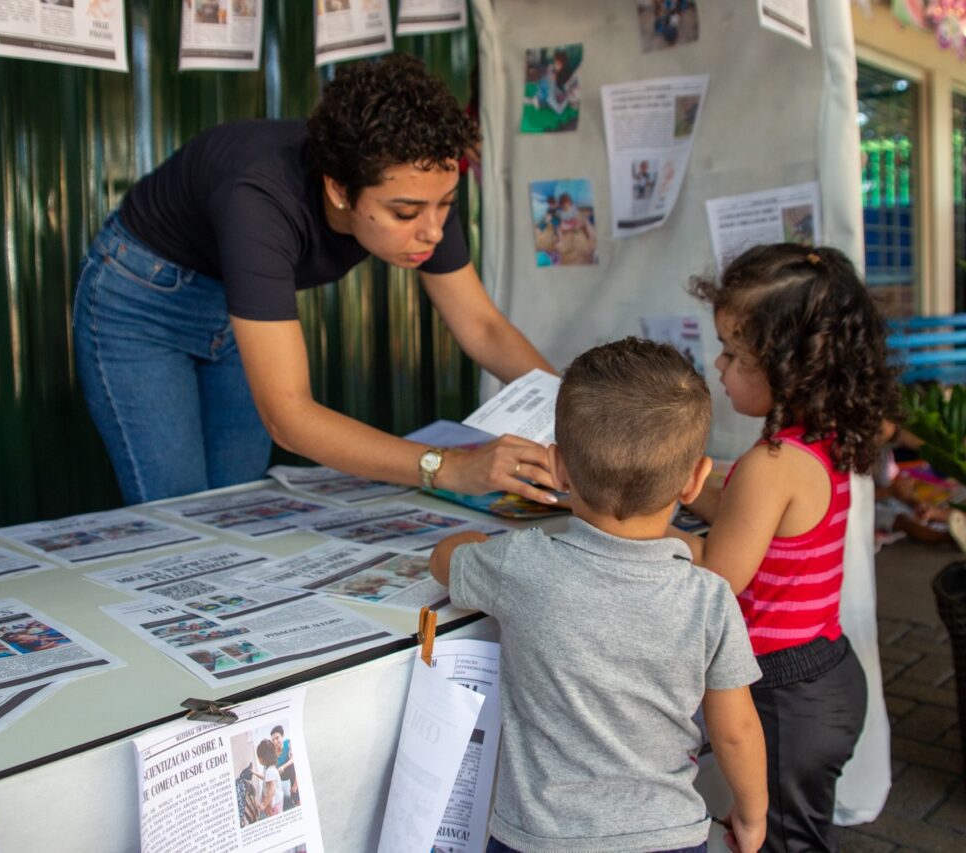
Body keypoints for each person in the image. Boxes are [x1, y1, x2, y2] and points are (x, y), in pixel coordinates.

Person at [73, 54, 558, 506]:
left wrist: (584, 416)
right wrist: (449, 468)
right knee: (181, 506)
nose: (432, 229)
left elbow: (482, 327)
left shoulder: (419, 181)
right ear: (339, 189)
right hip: (143, 298)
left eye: (446, 204)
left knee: (234, 503)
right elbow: (289, 417)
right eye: (405, 212)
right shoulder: (259, 199)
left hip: (236, 302)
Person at [429, 338, 767, 853]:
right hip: (668, 837)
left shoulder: (521, 565)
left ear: (558, 467)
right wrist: (752, 814)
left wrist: (473, 544)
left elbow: (443, 561)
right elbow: (737, 731)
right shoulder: (709, 598)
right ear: (696, 481)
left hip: (538, 839)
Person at [676, 243, 902, 852]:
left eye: (734, 353)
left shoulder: (770, 464)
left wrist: (629, 527)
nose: (718, 366)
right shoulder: (823, 438)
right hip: (824, 672)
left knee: (777, 843)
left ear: (787, 364)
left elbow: (721, 570)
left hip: (783, 696)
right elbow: (752, 522)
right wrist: (680, 489)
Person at [270, 725, 298, 807]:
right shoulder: (272, 752)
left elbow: (294, 758)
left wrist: (283, 766)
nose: (275, 741)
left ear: (282, 736)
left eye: (277, 738)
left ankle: (294, 791)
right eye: (273, 740)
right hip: (280, 774)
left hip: (288, 769)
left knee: (294, 766)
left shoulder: (288, 743)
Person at [254, 738, 282, 819]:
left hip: (275, 805)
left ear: (262, 758)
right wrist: (255, 773)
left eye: (258, 757)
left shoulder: (270, 771)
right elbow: (265, 778)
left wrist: (264, 804)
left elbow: (272, 790)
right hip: (277, 801)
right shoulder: (271, 768)